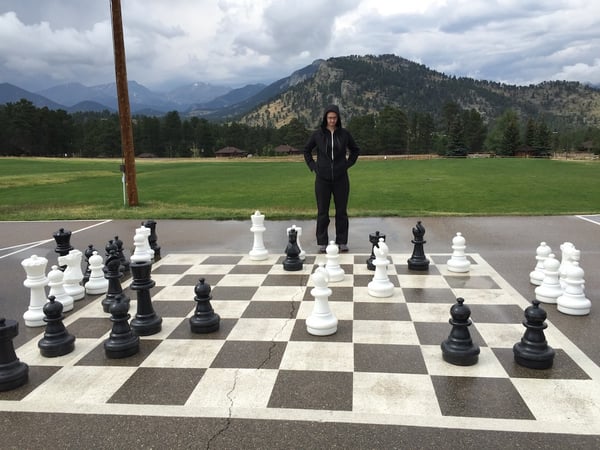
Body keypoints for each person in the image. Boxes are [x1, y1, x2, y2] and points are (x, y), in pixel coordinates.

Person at [303, 104, 360, 253]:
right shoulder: (318, 134)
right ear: (325, 118)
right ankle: (322, 241)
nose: (332, 120)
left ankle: (342, 241)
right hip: (322, 179)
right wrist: (313, 166)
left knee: (341, 211)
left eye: (334, 118)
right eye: (329, 118)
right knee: (322, 211)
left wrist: (347, 164)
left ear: (338, 118)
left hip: (341, 179)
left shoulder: (345, 134)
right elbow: (306, 150)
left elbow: (355, 150)